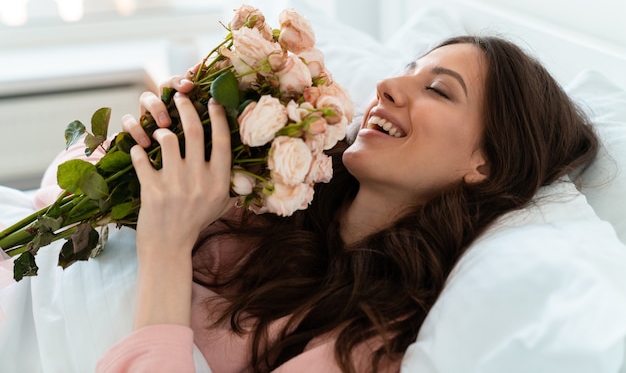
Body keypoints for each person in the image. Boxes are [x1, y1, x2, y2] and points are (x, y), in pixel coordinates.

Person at [89, 35, 598, 373]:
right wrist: (140, 157)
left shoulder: (368, 342)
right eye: (406, 69)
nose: (387, 86)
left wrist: (166, 250)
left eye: (438, 90)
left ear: (484, 163)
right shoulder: (273, 201)